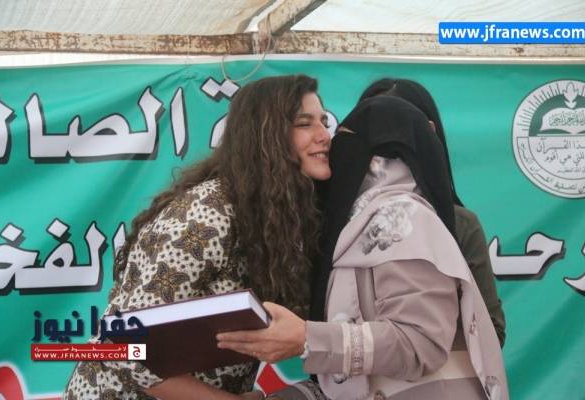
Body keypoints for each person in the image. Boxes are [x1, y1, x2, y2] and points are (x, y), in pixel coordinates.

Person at [217, 97, 508, 400]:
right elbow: (362, 376)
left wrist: (307, 338)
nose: (332, 148)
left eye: (345, 139)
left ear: (376, 157)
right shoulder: (359, 226)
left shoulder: (405, 220)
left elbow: (419, 343)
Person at [63, 74, 332, 400]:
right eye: (304, 124)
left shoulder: (276, 215)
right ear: (266, 135)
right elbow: (123, 345)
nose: (324, 135)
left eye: (324, 121)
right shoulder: (208, 214)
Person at [354, 78, 506, 346]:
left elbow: (492, 332)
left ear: (427, 132)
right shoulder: (336, 222)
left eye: (394, 128)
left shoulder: (460, 224)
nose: (383, 144)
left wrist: (421, 331)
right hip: (350, 371)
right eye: (370, 129)